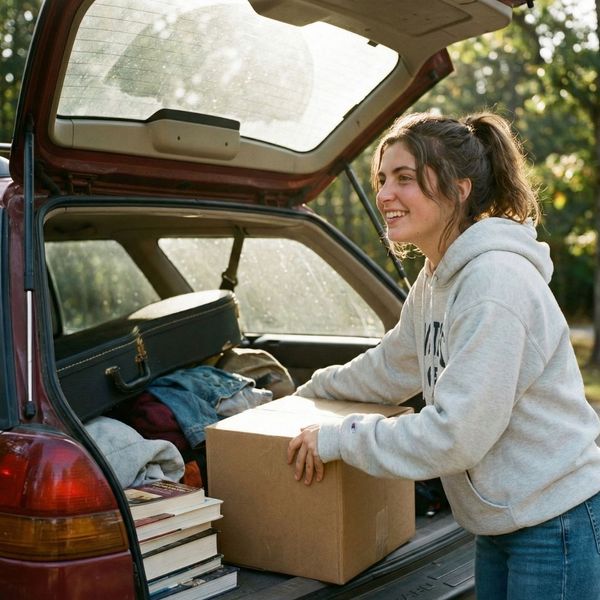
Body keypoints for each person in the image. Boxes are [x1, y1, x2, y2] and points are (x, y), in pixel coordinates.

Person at [287, 111, 600, 599]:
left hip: (554, 524)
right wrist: (302, 396)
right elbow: (393, 366)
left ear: (459, 188)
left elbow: (456, 435)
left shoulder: (494, 282)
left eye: (404, 178)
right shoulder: (437, 276)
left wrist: (340, 438)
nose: (385, 194)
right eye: (383, 178)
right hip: (500, 521)